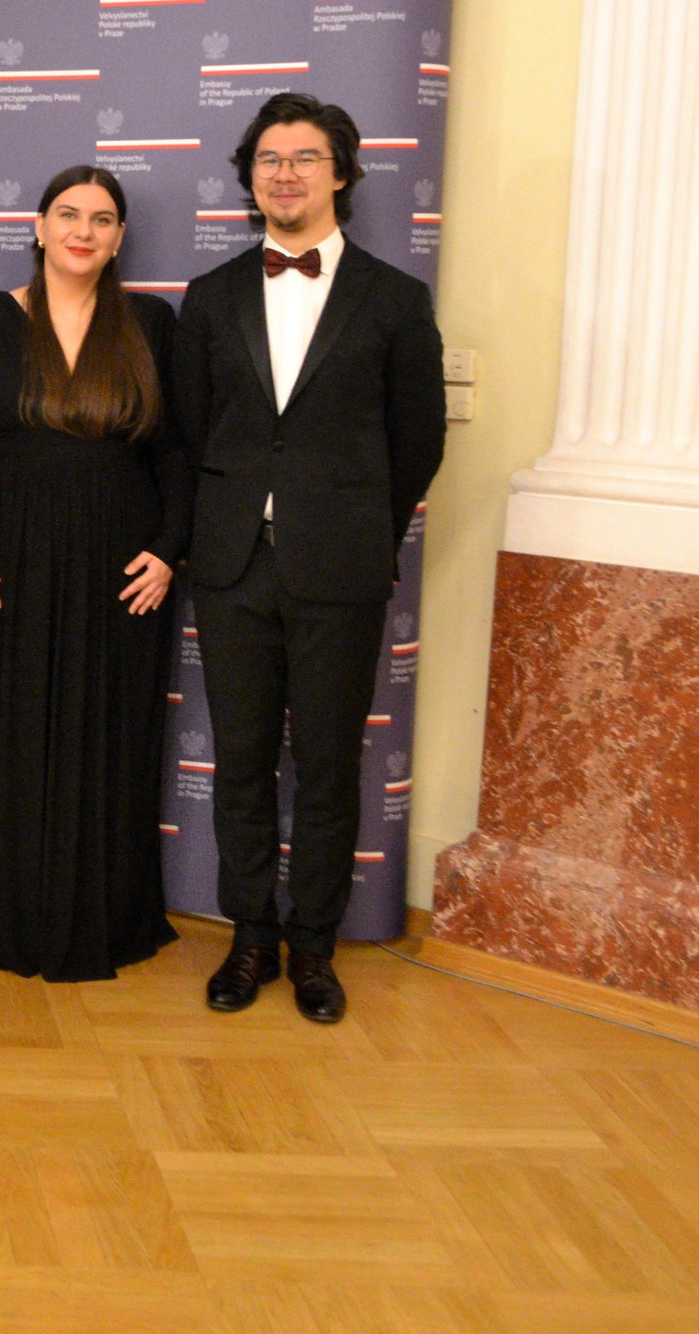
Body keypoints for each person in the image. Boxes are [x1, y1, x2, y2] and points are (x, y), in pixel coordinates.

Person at [174, 92, 446, 1024]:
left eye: (302, 158)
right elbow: (189, 432)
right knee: (242, 764)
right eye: (267, 160)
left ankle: (314, 949)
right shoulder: (210, 297)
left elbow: (417, 441)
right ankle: (250, 936)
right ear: (248, 179)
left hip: (341, 571)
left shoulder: (395, 300)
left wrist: (358, 528)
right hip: (231, 568)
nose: (283, 174)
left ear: (340, 174)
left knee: (327, 768)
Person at [0, 167, 190, 981]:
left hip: (122, 575)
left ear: (118, 239)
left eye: (101, 219)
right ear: (37, 227)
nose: (83, 230)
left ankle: (106, 917)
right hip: (5, 574)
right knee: (11, 739)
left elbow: (178, 453)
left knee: (112, 739)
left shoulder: (151, 323)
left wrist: (167, 550)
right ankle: (16, 908)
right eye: (67, 215)